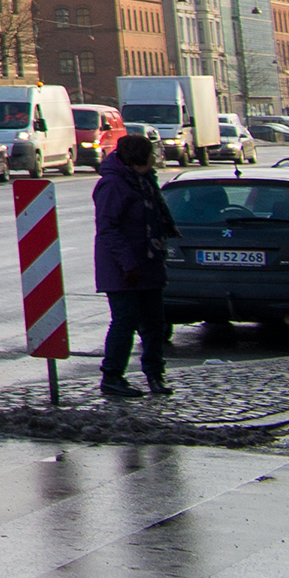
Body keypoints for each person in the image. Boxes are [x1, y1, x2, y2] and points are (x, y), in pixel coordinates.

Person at [93, 129, 176, 399]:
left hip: (148, 262)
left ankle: (155, 375)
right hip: (122, 268)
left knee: (155, 323)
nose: (154, 158)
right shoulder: (114, 185)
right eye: (151, 154)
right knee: (125, 322)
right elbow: (108, 229)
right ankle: (113, 376)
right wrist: (129, 264)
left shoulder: (144, 181)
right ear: (140, 158)